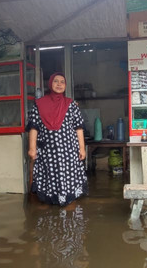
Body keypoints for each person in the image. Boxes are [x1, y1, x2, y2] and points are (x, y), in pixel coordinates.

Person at [27, 72, 87, 206]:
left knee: (68, 175)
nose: (59, 84)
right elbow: (33, 127)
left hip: (69, 150)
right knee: (50, 175)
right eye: (56, 81)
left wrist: (82, 148)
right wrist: (32, 148)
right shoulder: (39, 104)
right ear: (50, 84)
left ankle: (67, 201)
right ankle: (52, 201)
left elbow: (79, 128)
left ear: (65, 85)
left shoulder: (71, 105)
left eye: (62, 82)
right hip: (48, 150)